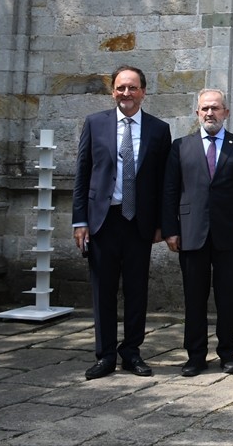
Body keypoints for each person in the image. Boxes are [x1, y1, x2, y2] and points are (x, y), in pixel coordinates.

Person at [72, 65, 172, 381]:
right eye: (120, 88)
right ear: (112, 91)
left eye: (132, 88)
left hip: (139, 224)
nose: (126, 93)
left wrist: (162, 224)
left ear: (143, 91)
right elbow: (82, 175)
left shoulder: (159, 129)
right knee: (103, 291)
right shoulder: (95, 124)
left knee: (136, 291)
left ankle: (131, 352)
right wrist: (79, 221)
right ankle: (105, 356)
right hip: (103, 221)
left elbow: (163, 183)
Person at [162, 89, 233, 376]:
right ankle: (195, 355)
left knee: (229, 297)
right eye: (205, 108)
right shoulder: (180, 147)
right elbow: (169, 192)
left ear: (226, 112)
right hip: (191, 234)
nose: (210, 113)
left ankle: (228, 352)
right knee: (194, 298)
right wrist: (170, 229)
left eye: (216, 108)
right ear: (197, 113)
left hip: (230, 235)